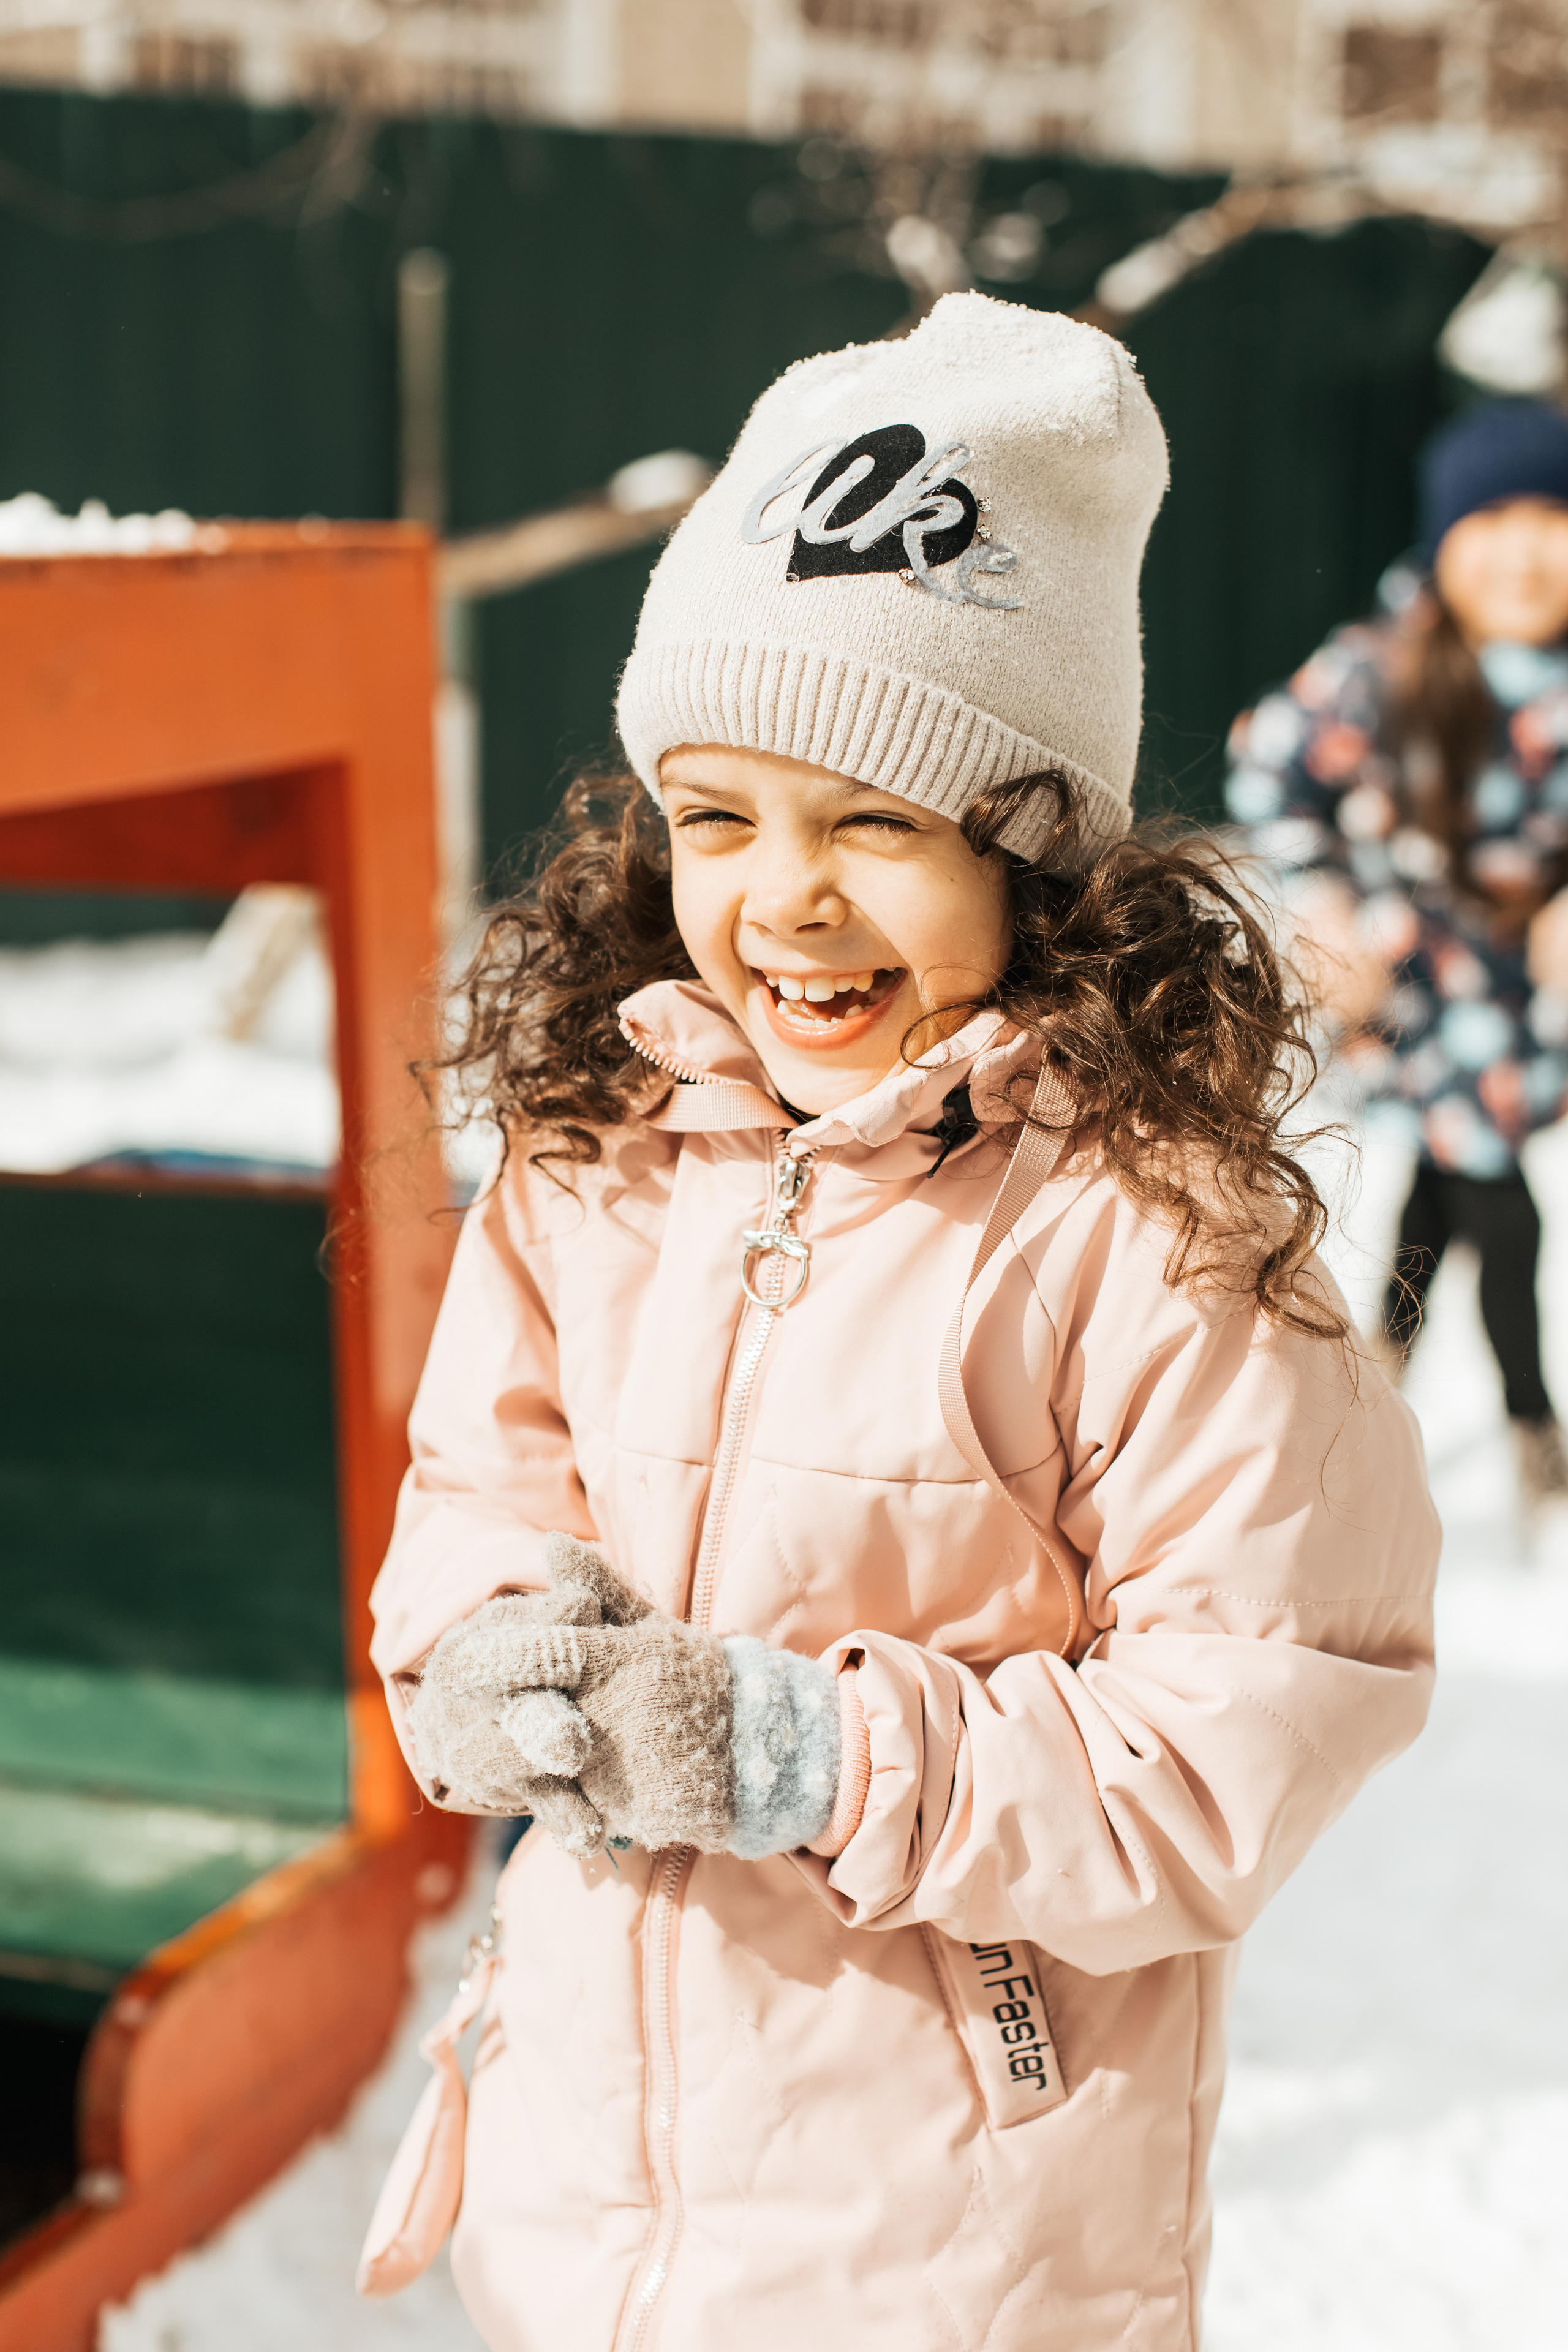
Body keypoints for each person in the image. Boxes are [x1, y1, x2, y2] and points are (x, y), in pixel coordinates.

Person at [363, 296, 1438, 2352]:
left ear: (1035, 861)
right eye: (720, 816)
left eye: (878, 823)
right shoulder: (606, 1151)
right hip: (598, 2199)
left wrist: (818, 1754)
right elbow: (478, 1482)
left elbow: (1251, 1723)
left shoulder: (1152, 1234)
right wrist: (489, 1643)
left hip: (960, 2245)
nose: (787, 899)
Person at [1226, 397, 1568, 1510]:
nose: (1526, 550)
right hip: (1409, 992)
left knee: (1439, 1197)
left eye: (1552, 517)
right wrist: (1317, 903)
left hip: (1517, 1004)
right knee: (1500, 1208)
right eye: (1495, 518)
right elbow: (1271, 773)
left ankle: (1375, 1381)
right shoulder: (1382, 669)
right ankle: (1533, 1425)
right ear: (1444, 537)